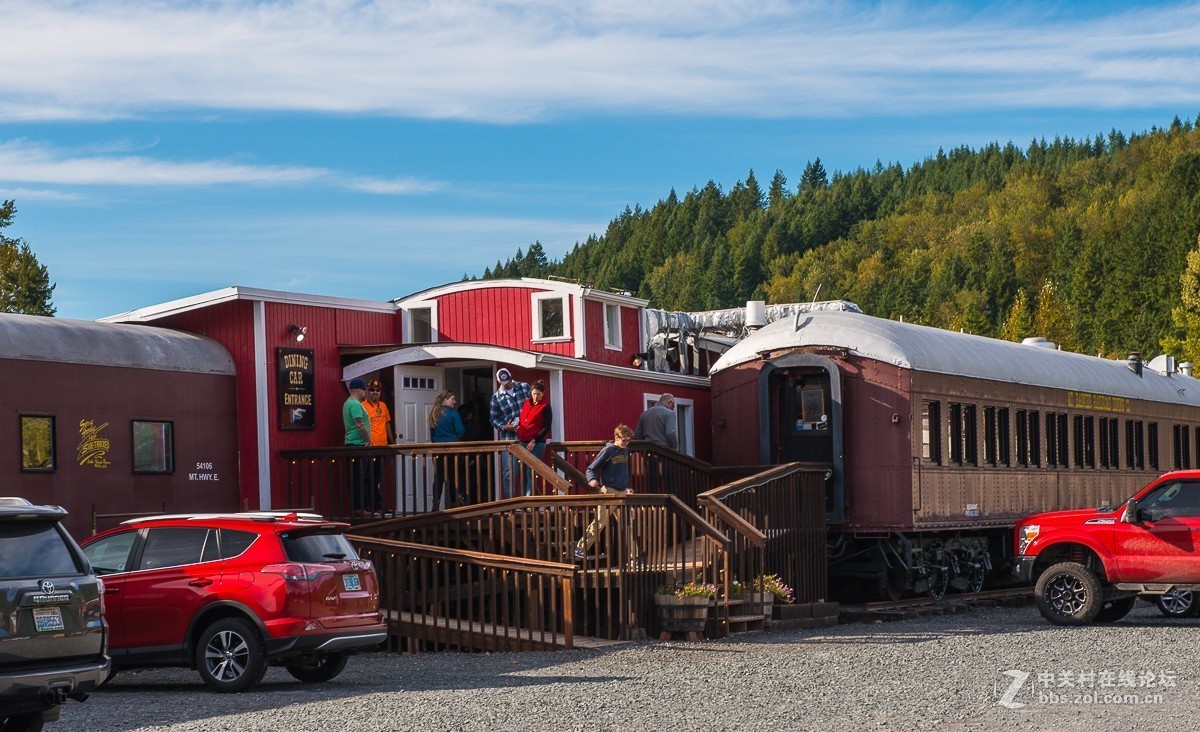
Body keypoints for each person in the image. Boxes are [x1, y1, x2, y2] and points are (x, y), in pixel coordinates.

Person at [575, 424, 635, 561]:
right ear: (616, 437)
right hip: (609, 490)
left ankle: (633, 558)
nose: (626, 443)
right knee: (600, 522)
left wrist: (628, 486)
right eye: (624, 440)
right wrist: (592, 479)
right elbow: (591, 468)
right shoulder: (608, 451)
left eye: (628, 441)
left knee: (629, 524)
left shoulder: (625, 451)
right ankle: (580, 548)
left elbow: (624, 471)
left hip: (622, 491)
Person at [489, 368, 531, 499]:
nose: (507, 385)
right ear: (499, 382)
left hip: (526, 436)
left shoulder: (524, 387)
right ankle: (511, 502)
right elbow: (493, 419)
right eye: (504, 383)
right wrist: (504, 427)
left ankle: (526, 502)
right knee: (508, 472)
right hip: (508, 438)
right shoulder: (496, 397)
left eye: (508, 381)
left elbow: (535, 406)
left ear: (511, 377)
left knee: (527, 470)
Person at [360, 380, 394, 514]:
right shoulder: (362, 406)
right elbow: (360, 426)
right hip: (369, 448)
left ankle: (378, 506)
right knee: (367, 478)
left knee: (377, 479)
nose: (375, 392)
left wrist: (392, 442)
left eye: (377, 390)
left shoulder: (383, 406)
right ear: (368, 391)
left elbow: (387, 424)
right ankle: (369, 506)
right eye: (372, 390)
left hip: (382, 448)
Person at [428, 390, 465, 509]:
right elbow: (461, 430)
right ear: (445, 400)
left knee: (438, 478)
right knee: (454, 477)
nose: (455, 401)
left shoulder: (434, 413)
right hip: (453, 449)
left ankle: (435, 504)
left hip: (438, 449)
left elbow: (432, 434)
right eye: (452, 399)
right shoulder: (454, 414)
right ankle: (454, 504)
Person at [634, 393, 678, 491]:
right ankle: (671, 499)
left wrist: (643, 450)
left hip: (649, 453)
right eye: (673, 405)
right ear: (670, 402)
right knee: (670, 481)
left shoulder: (644, 414)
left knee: (653, 481)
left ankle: (654, 499)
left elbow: (637, 434)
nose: (673, 408)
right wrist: (674, 448)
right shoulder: (669, 413)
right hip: (666, 452)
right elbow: (670, 433)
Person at [517, 380, 552, 496]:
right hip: (522, 441)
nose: (536, 396)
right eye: (534, 393)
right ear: (531, 392)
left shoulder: (545, 406)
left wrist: (534, 440)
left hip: (537, 443)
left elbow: (547, 427)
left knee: (530, 470)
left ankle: (529, 499)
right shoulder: (527, 402)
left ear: (543, 394)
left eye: (539, 394)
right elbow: (523, 419)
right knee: (521, 470)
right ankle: (525, 496)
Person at [342, 378, 371, 517]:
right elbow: (359, 424)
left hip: (353, 444)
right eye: (364, 389)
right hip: (358, 445)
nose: (365, 392)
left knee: (357, 477)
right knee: (359, 477)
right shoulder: (354, 404)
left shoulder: (347, 403)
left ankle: (360, 507)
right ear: (359, 390)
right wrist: (368, 440)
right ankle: (359, 508)